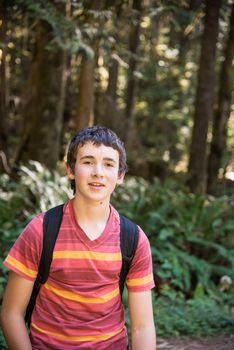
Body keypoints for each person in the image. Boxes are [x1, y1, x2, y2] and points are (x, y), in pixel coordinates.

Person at [1, 126, 156, 350]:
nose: (98, 172)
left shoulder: (133, 239)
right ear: (71, 170)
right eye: (87, 161)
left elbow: (143, 327)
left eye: (109, 164)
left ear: (120, 176)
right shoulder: (41, 230)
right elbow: (11, 314)